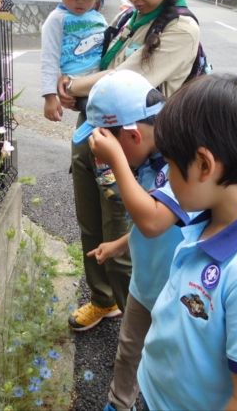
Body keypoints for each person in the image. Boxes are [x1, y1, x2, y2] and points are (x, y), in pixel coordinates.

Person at [136, 74, 237, 411]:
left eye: (169, 164)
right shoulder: (208, 219)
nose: (166, 176)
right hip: (156, 394)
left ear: (204, 165)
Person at [59, 0, 200, 332]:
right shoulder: (129, 19)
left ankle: (137, 325)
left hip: (131, 148)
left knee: (121, 231)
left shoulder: (181, 29)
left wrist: (74, 86)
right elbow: (103, 71)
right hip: (94, 132)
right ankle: (103, 300)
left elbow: (125, 80)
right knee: (91, 226)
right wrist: (82, 94)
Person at [72, 70, 193, 411]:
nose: (105, 155)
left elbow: (155, 221)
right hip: (145, 283)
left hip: (179, 292)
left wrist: (116, 164)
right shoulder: (145, 156)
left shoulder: (180, 161)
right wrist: (121, 244)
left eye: (109, 146)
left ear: (132, 136)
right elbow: (155, 221)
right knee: (129, 351)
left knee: (170, 360)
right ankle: (118, 404)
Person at [41, 0, 108, 122]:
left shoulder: (98, 17)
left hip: (100, 78)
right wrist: (50, 97)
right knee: (97, 119)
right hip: (76, 82)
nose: (80, 1)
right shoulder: (56, 20)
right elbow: (49, 59)